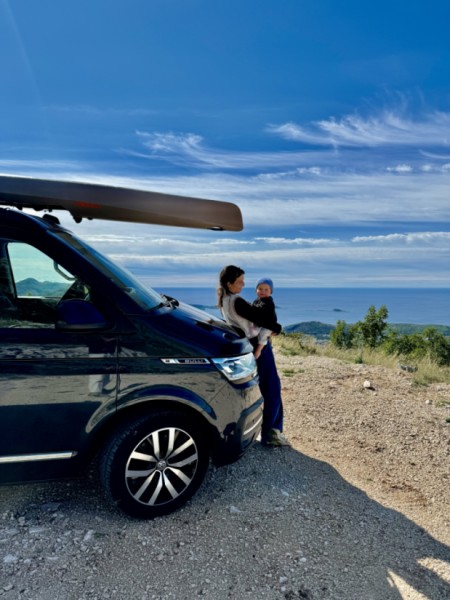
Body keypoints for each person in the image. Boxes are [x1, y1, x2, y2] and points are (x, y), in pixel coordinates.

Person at [217, 265, 290, 447]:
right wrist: (278, 328)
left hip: (248, 345)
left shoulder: (224, 299)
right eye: (240, 282)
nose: (243, 285)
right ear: (229, 283)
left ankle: (270, 430)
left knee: (267, 387)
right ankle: (271, 433)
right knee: (272, 388)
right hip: (258, 345)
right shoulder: (237, 301)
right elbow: (264, 320)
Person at [252, 277, 277, 360]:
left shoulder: (268, 301)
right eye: (260, 289)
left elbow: (261, 309)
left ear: (271, 292)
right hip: (261, 323)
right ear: (256, 290)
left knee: (264, 334)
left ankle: (258, 350)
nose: (263, 291)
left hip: (269, 325)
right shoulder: (257, 300)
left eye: (266, 290)